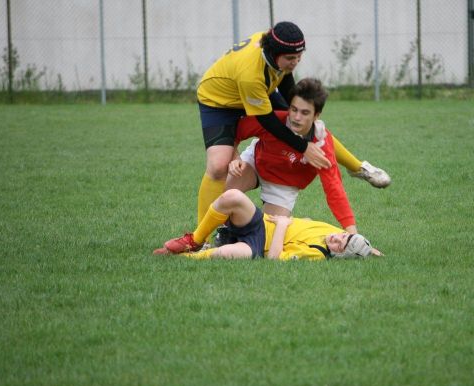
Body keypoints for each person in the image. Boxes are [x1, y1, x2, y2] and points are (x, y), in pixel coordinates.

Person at [194, 21, 390, 237]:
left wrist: (304, 122)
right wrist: (302, 147)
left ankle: (358, 167)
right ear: (274, 52)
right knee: (218, 167)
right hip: (219, 102)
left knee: (306, 125)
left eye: (299, 56)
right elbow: (266, 121)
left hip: (256, 94)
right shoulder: (251, 74)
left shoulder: (275, 45)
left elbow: (287, 83)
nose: (295, 62)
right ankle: (200, 239)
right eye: (290, 58)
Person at [226, 77, 358, 234]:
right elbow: (234, 132)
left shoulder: (322, 144)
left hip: (284, 186)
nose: (296, 117)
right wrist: (235, 157)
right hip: (256, 162)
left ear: (317, 115)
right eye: (294, 109)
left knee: (267, 236)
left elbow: (334, 188)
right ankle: (222, 231)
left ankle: (295, 224)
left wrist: (353, 236)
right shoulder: (274, 121)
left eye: (305, 112)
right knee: (226, 191)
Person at [153, 189, 382, 260]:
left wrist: (282, 224)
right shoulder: (335, 232)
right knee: (231, 196)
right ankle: (194, 240)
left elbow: (274, 259)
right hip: (259, 222)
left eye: (342, 243)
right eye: (343, 235)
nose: (338, 237)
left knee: (223, 255)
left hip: (258, 246)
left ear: (341, 255)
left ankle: (181, 258)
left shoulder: (318, 254)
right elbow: (354, 244)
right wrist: (369, 249)